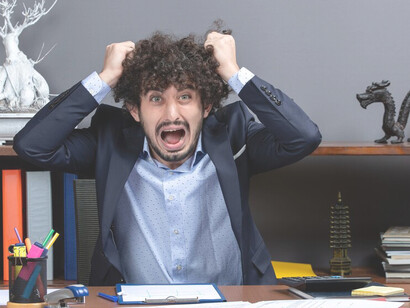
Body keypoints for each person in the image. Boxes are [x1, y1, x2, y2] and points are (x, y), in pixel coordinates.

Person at [13, 29, 321, 286]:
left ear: (206, 106)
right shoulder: (111, 141)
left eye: (185, 96)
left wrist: (233, 72)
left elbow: (303, 137)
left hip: (233, 300)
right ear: (135, 109)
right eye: (156, 98)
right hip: (134, 305)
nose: (172, 113)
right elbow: (32, 145)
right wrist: (104, 78)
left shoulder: (234, 136)